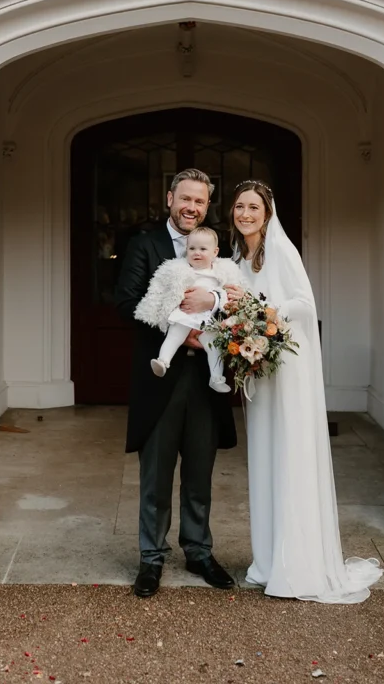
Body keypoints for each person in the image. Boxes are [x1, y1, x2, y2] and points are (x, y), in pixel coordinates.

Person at [226, 179, 383, 603]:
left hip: (287, 367)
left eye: (253, 207)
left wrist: (263, 312)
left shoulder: (281, 250)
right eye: (239, 207)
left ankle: (297, 565)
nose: (245, 214)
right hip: (259, 367)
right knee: (264, 455)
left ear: (267, 212)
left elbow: (304, 304)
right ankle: (268, 560)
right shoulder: (239, 256)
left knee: (289, 454)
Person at [115, 169, 237, 598]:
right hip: (160, 374)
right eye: (185, 198)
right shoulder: (143, 245)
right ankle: (151, 559)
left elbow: (239, 298)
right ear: (170, 198)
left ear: (207, 206)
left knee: (200, 470)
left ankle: (199, 551)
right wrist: (179, 328)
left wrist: (217, 306)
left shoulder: (218, 249)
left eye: (200, 201)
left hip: (206, 377)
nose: (191, 207)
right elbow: (126, 302)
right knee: (156, 472)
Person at [134, 225, 244, 393]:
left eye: (202, 249)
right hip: (185, 315)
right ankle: (162, 361)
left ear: (215, 252)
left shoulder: (221, 272)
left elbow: (230, 293)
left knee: (215, 347)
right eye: (192, 248)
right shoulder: (181, 270)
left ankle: (216, 378)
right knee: (174, 336)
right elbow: (166, 289)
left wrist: (216, 297)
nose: (196, 252)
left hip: (208, 320)